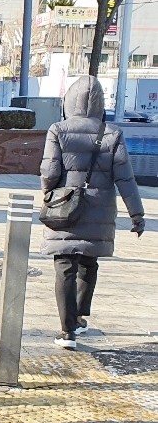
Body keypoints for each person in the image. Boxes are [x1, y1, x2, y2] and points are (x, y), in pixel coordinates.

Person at [41, 76, 145, 349]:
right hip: (99, 209)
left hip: (65, 206)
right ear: (100, 103)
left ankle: (67, 332)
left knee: (64, 265)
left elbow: (50, 172)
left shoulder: (58, 129)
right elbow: (125, 178)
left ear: (69, 101)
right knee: (88, 262)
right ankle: (78, 318)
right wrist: (137, 214)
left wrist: (49, 190)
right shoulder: (112, 133)